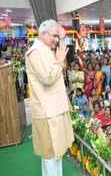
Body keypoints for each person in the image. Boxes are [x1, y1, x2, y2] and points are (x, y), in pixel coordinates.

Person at [25, 19, 74, 176]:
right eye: (54, 35)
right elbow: (48, 78)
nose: (57, 39)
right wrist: (59, 61)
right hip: (47, 113)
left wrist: (60, 60)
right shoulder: (35, 53)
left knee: (56, 154)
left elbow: (59, 72)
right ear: (43, 34)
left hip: (55, 110)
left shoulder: (46, 50)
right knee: (50, 156)